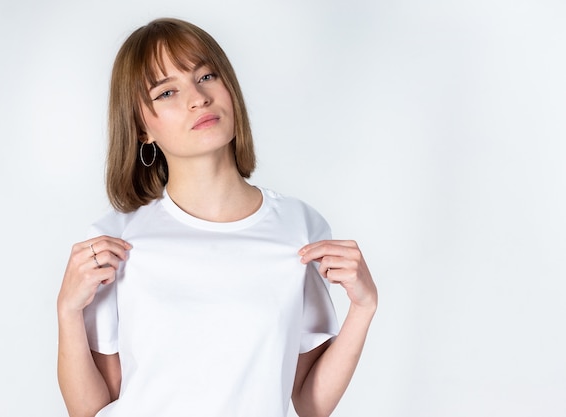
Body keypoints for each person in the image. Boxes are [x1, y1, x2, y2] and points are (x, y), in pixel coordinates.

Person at [56, 17, 377, 417]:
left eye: (206, 75)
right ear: (142, 129)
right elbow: (89, 410)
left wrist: (363, 308)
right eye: (167, 92)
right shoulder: (116, 239)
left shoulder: (299, 228)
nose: (197, 98)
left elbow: (310, 404)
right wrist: (68, 312)